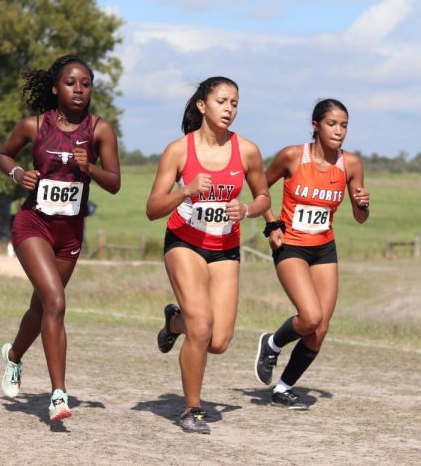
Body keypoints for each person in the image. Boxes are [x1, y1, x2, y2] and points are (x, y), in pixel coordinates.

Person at [0, 55, 120, 423]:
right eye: (70, 82)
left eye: (85, 83)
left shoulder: (100, 130)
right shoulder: (34, 126)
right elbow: (3, 155)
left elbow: (114, 183)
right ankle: (58, 395)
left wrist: (90, 168)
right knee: (56, 301)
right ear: (55, 87)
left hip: (70, 234)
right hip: (33, 225)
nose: (79, 89)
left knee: (42, 308)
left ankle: (14, 356)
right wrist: (18, 173)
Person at [146, 76, 271, 434]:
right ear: (202, 105)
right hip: (184, 242)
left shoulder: (247, 150)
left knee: (217, 341)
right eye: (221, 101)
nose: (229, 108)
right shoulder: (179, 150)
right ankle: (192, 410)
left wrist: (246, 209)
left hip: (224, 248)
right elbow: (153, 208)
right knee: (201, 326)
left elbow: (264, 198)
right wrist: (185, 190)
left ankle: (174, 322)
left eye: (234, 103)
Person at [254, 99, 370, 409]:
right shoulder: (292, 156)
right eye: (332, 124)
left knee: (320, 329)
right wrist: (271, 225)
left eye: (344, 125)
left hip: (323, 249)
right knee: (310, 316)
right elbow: (259, 189)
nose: (339, 131)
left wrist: (362, 203)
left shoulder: (352, 164)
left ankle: (283, 388)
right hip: (290, 245)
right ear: (316, 125)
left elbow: (361, 218)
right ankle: (273, 343)